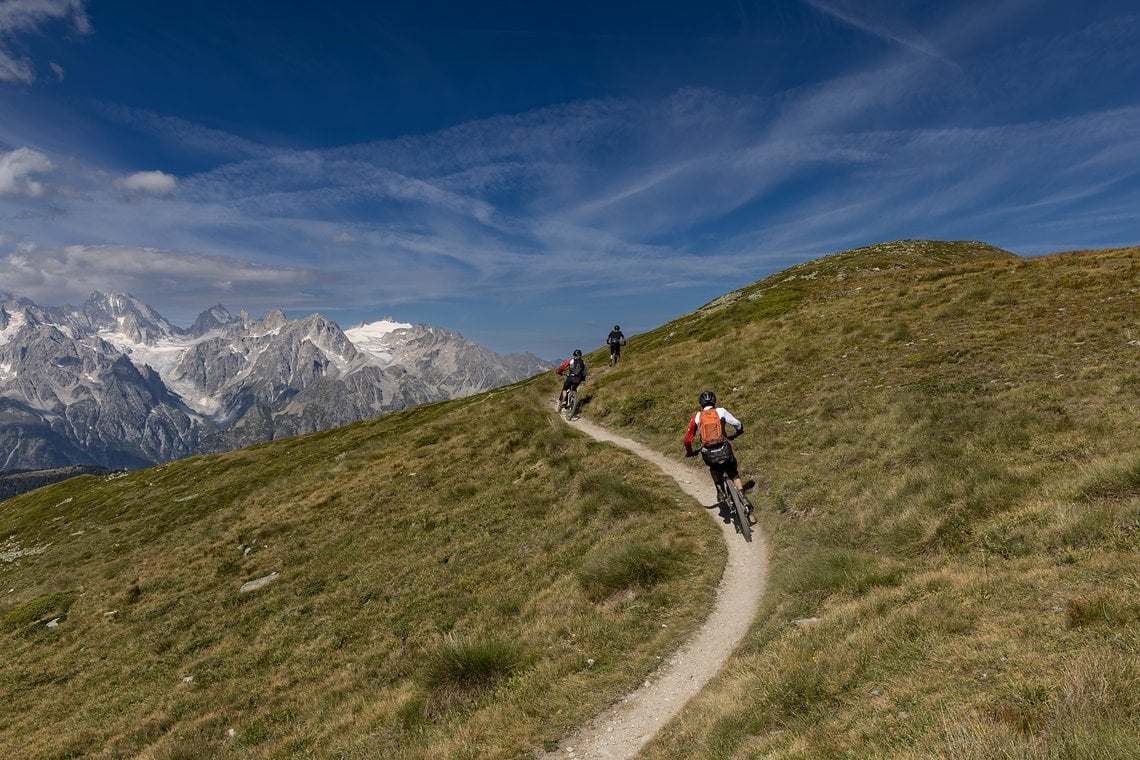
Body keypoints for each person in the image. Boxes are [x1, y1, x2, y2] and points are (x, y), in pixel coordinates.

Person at [683, 390, 754, 523]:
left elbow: (687, 440)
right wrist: (738, 432)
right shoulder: (721, 411)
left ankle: (720, 490)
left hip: (709, 453)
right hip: (724, 449)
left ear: (701, 403)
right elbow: (738, 424)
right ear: (714, 401)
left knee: (714, 468)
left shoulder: (697, 417)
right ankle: (743, 497)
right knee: (733, 473)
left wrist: (690, 452)